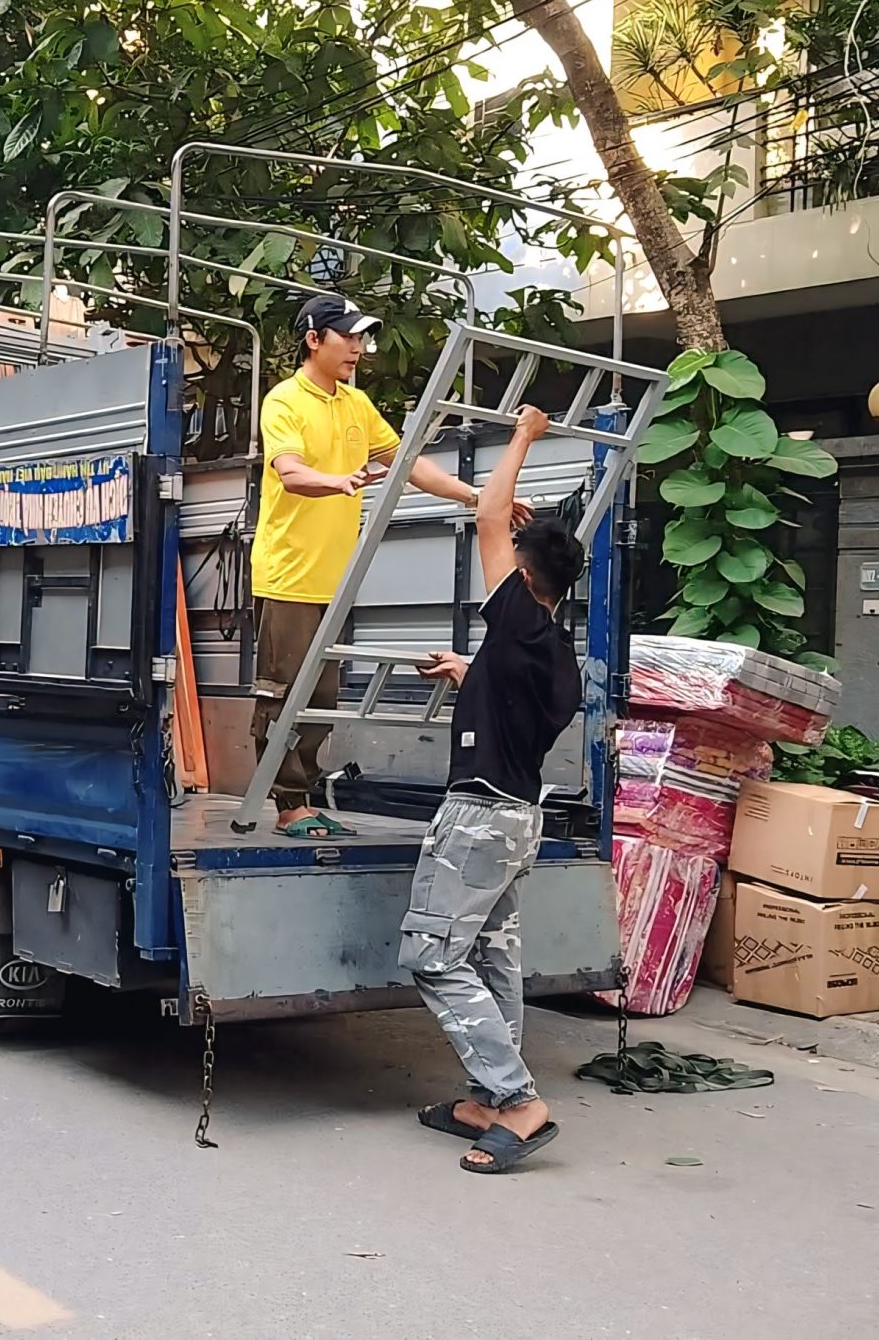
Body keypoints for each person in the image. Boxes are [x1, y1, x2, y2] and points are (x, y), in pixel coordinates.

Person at [251, 294, 522, 838]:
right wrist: (339, 481)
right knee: (286, 691)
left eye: (361, 337)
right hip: (289, 574)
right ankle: (287, 804)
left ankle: (298, 797)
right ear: (314, 339)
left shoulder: (354, 403)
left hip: (335, 576)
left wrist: (476, 497)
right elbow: (290, 471)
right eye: (347, 336)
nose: (358, 347)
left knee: (323, 697)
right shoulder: (284, 401)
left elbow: (406, 463)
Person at [403, 403, 584, 1174]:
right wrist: (467, 674)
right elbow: (513, 701)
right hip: (516, 820)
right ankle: (485, 1095)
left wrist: (523, 437)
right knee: (492, 958)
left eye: (512, 551)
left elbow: (485, 513)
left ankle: (516, 1100)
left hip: (478, 820)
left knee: (435, 958)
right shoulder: (551, 651)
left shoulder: (515, 619)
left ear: (525, 572)